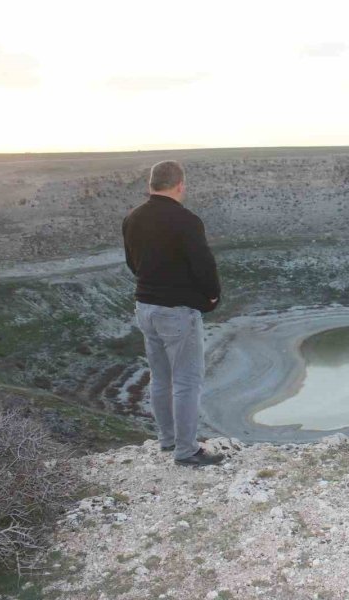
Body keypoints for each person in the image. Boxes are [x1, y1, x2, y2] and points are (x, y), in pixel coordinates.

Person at [122, 160, 224, 465]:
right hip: (176, 312)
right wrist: (211, 296)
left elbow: (132, 263)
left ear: (151, 184)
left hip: (145, 307)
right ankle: (186, 450)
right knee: (187, 382)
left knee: (160, 378)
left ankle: (167, 441)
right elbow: (203, 265)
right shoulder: (186, 220)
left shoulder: (132, 218)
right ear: (179, 185)